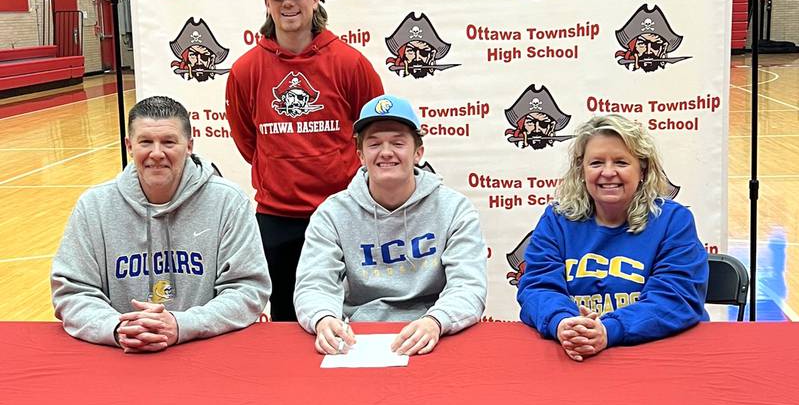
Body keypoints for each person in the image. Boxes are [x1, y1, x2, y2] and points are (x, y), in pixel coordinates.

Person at [225, 0, 383, 321]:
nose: (288, 3)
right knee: (287, 316)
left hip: (346, 212)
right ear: (267, 3)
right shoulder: (246, 70)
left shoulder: (349, 62)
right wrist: (280, 169)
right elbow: (249, 141)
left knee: (358, 312)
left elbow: (375, 131)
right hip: (278, 217)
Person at [51, 96, 271, 351]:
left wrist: (181, 325)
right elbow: (72, 291)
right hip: (122, 353)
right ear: (129, 146)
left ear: (189, 146)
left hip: (206, 352)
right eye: (146, 142)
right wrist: (118, 328)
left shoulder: (228, 202)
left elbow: (248, 289)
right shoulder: (94, 205)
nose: (157, 153)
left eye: (168, 142)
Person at [294, 94, 487, 356]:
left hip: (435, 332)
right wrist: (323, 318)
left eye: (398, 142)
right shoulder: (332, 213)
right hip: (357, 337)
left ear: (418, 153)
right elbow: (314, 283)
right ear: (361, 155)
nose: (386, 152)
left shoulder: (455, 209)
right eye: (374, 144)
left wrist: (436, 321)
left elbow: (469, 286)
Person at [516, 114, 708, 361]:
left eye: (621, 162)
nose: (608, 172)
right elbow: (537, 287)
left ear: (643, 169)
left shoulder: (673, 221)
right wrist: (563, 323)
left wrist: (610, 329)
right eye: (596, 163)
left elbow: (676, 297)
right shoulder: (557, 220)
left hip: (656, 355)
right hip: (576, 352)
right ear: (581, 171)